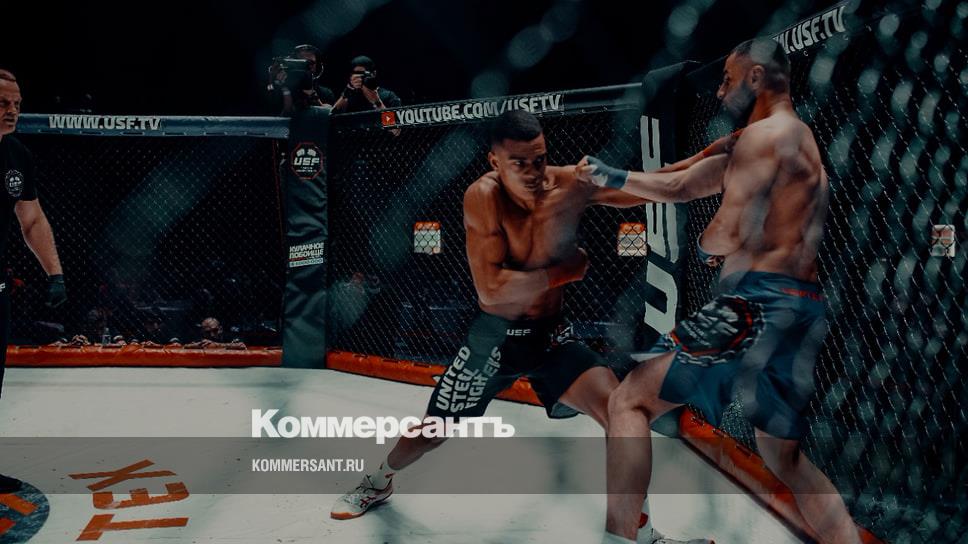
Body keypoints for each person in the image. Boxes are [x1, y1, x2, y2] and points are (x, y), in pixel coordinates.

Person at [329, 110, 719, 544]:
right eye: (519, 163)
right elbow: (492, 290)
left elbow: (652, 185)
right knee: (432, 432)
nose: (533, 172)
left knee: (620, 412)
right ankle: (378, 480)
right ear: (494, 161)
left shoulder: (566, 183)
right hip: (494, 341)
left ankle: (639, 531)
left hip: (552, 339)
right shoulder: (483, 197)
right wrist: (562, 272)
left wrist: (715, 151)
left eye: (539, 159)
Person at [576, 39, 861, 544]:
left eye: (728, 79)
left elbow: (725, 233)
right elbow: (679, 185)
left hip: (753, 304)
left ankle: (620, 539)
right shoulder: (795, 138)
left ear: (756, 77)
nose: (720, 91)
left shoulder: (760, 138)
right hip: (800, 307)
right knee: (784, 457)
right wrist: (611, 178)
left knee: (630, 400)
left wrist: (709, 244)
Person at [0, 69, 67, 493]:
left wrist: (54, 272)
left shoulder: (17, 155)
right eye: (2, 103)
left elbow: (31, 219)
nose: (12, 111)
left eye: (17, 105)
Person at [267, 44, 335, 115]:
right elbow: (277, 114)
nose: (306, 67)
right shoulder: (282, 90)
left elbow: (328, 116)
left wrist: (314, 98)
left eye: (310, 63)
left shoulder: (325, 93)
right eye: (301, 63)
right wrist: (272, 80)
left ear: (318, 66)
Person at [331, 55, 401, 113]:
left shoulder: (389, 96)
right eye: (356, 74)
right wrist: (348, 90)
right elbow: (332, 116)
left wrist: (377, 102)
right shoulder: (349, 97)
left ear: (373, 74)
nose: (360, 78)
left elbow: (394, 125)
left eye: (363, 74)